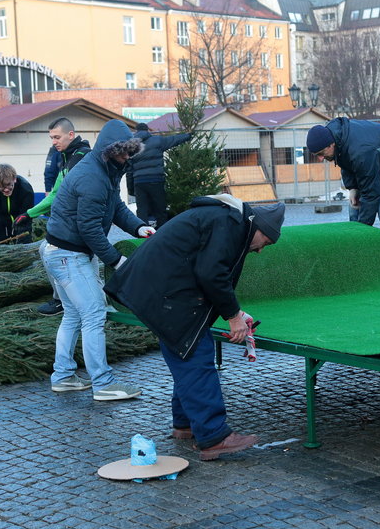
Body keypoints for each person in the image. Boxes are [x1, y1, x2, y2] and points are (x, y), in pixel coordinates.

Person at [105, 195, 285, 460]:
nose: (260, 250)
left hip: (158, 289)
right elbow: (212, 273)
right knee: (196, 358)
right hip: (163, 293)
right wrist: (233, 316)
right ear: (258, 228)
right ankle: (214, 436)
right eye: (265, 243)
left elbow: (208, 270)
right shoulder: (228, 223)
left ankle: (185, 424)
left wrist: (235, 312)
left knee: (185, 353)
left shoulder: (225, 219)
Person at [40, 120, 155, 401]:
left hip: (59, 251)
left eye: (130, 152)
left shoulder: (106, 168)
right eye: (123, 152)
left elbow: (114, 206)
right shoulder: (92, 176)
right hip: (68, 255)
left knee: (73, 315)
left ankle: (64, 376)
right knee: (93, 314)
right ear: (110, 150)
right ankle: (104, 384)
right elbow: (89, 228)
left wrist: (139, 227)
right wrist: (117, 261)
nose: (127, 157)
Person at [306, 118, 380, 273]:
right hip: (379, 160)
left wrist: (363, 229)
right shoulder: (336, 137)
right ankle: (357, 260)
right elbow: (345, 162)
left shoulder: (361, 150)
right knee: (354, 206)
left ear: (330, 144)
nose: (320, 158)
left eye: (321, 153)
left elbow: (372, 193)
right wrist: (352, 188)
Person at [18, 117, 93, 316]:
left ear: (71, 135)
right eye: (51, 138)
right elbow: (55, 194)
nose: (53, 142)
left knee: (50, 251)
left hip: (84, 224)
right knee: (45, 249)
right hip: (72, 222)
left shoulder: (83, 157)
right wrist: (29, 213)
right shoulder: (67, 157)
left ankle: (70, 302)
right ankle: (62, 300)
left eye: (57, 137)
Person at [127, 122, 192, 228]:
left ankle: (142, 236)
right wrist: (188, 135)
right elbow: (174, 139)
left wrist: (130, 188)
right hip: (156, 179)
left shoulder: (132, 146)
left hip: (139, 182)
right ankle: (161, 233)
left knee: (142, 210)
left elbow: (129, 170)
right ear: (147, 130)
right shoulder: (157, 140)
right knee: (160, 209)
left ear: (136, 131)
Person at [0, 164, 35, 246]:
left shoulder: (25, 189)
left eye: (9, 185)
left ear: (14, 179)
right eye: (1, 187)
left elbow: (26, 218)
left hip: (19, 219)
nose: (6, 189)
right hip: (0, 222)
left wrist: (23, 243)